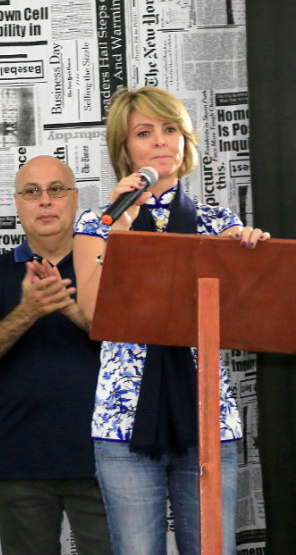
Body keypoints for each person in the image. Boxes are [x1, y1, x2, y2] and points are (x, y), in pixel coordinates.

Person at [72, 86, 270, 554]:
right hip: (125, 421)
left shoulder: (218, 223)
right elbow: (95, 313)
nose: (161, 141)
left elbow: (252, 306)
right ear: (125, 151)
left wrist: (252, 251)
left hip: (205, 422)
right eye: (145, 132)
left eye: (171, 129)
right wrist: (118, 231)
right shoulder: (97, 222)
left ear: (185, 142)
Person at [0, 156, 111, 554]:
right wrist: (28, 311)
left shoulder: (106, 267)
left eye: (56, 190)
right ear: (17, 203)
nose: (45, 201)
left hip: (105, 459)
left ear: (75, 199)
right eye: (32, 192)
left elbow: (135, 347)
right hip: (21, 463)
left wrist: (73, 311)